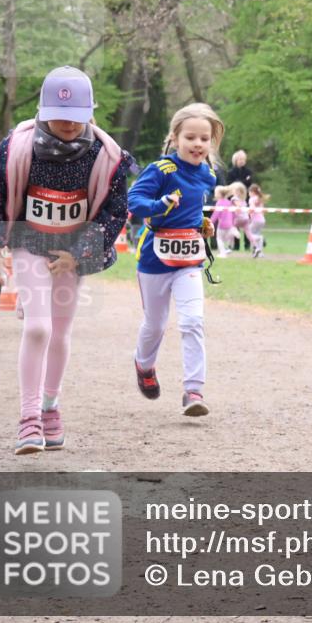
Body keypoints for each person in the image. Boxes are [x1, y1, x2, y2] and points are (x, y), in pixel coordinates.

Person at [0, 66, 132, 454]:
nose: (66, 123)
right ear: (44, 111)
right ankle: (28, 418)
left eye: (76, 117)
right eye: (59, 115)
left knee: (60, 332)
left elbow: (116, 211)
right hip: (30, 241)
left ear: (90, 114)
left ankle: (50, 407)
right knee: (39, 329)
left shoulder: (106, 155)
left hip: (71, 252)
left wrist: (80, 253)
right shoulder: (17, 147)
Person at [129, 103, 222, 417]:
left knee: (193, 320)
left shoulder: (208, 175)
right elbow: (135, 202)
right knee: (155, 325)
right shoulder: (161, 170)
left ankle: (193, 390)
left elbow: (194, 209)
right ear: (175, 137)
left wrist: (201, 226)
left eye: (204, 139)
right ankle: (144, 365)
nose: (198, 144)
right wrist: (161, 204)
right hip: (155, 258)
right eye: (191, 137)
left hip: (190, 260)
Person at [226, 150, 254, 252]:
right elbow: (230, 186)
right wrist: (243, 182)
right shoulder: (230, 172)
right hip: (234, 201)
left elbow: (249, 184)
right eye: (240, 159)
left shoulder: (248, 172)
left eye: (244, 159)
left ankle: (247, 245)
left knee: (247, 223)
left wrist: (239, 182)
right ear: (235, 160)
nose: (242, 161)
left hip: (246, 201)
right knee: (235, 223)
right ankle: (236, 245)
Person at [211, 186, 235, 258]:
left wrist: (211, 221)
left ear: (219, 194)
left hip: (222, 224)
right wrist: (233, 222)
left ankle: (222, 253)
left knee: (219, 239)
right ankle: (228, 248)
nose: (214, 194)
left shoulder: (219, 203)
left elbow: (216, 214)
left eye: (215, 193)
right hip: (230, 224)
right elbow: (233, 213)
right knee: (226, 238)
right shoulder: (229, 202)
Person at [245, 183, 268, 258]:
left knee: (250, 234)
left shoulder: (252, 199)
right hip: (262, 220)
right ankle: (259, 252)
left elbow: (252, 208)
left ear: (252, 192)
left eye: (249, 192)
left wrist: (246, 212)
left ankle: (256, 249)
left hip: (256, 220)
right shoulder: (259, 198)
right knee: (257, 234)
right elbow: (263, 210)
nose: (248, 194)